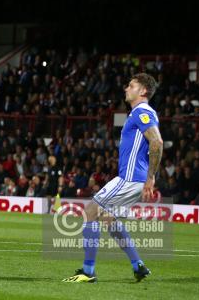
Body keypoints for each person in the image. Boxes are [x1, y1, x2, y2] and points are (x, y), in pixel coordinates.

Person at [63, 73, 162, 283]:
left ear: (143, 91)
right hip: (134, 178)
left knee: (90, 211)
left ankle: (88, 272)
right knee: (108, 219)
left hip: (131, 178)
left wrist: (151, 178)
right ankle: (138, 266)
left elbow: (157, 142)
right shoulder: (139, 113)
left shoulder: (142, 112)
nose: (126, 88)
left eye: (131, 85)